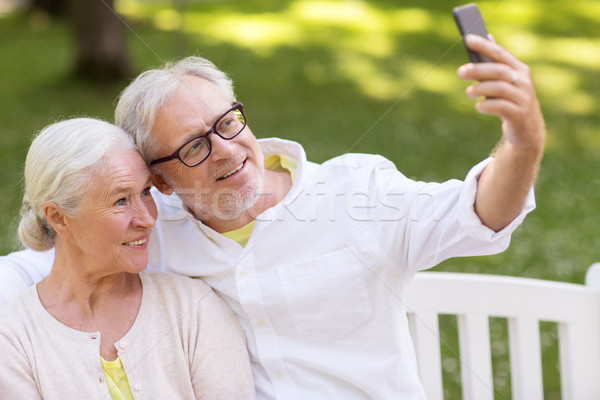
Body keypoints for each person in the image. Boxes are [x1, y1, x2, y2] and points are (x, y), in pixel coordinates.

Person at [0, 34, 545, 399]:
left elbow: (478, 213)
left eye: (228, 123)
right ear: (161, 180)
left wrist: (521, 144)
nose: (227, 150)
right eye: (193, 146)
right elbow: (42, 267)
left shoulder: (357, 191)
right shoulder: (150, 226)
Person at [0, 118, 255, 400]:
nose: (148, 219)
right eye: (120, 201)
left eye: (146, 192)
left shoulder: (193, 308)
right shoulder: (12, 341)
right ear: (59, 218)